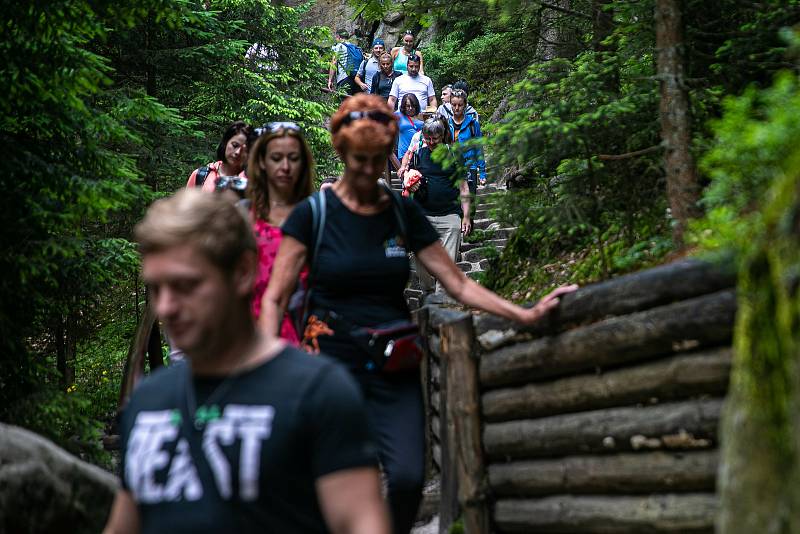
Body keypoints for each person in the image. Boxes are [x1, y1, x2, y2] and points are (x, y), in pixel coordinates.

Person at [259, 94, 577, 533]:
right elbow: (276, 296)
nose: (370, 170)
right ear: (342, 153)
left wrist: (523, 314)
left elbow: (458, 282)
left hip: (393, 361)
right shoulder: (313, 215)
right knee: (341, 479)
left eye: (377, 159)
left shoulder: (402, 211)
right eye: (359, 160)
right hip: (330, 364)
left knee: (407, 476)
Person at [103, 190, 389, 534]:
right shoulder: (148, 401)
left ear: (242, 272)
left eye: (185, 285)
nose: (165, 307)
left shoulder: (319, 392)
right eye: (156, 288)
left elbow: (361, 522)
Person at [247, 122, 315, 344]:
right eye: (276, 158)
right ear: (262, 162)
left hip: (305, 330)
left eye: (293, 158)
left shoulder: (317, 215)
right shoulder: (245, 215)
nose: (285, 167)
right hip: (249, 330)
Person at [404, 117, 469, 294]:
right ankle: (428, 290)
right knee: (419, 257)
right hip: (422, 214)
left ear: (443, 136)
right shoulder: (418, 155)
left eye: (435, 138)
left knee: (447, 262)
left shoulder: (454, 154)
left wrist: (466, 216)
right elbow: (408, 182)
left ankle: (441, 298)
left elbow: (463, 186)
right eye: (428, 138)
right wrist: (411, 184)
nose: (431, 142)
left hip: (450, 215)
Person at [186, 121, 252, 192]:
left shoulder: (251, 181)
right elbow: (187, 202)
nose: (237, 152)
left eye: (244, 150)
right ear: (226, 142)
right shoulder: (201, 175)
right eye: (235, 145)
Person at [447, 89, 486, 189]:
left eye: (460, 105)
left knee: (470, 201)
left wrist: (482, 172)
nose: (456, 108)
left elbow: (479, 148)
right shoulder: (446, 124)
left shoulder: (473, 124)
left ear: (465, 105)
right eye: (454, 105)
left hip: (470, 166)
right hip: (452, 167)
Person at [328, 28, 361, 97]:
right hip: (356, 79)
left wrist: (330, 80)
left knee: (344, 104)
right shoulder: (354, 47)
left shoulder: (338, 46)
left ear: (338, 37)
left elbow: (334, 63)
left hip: (344, 79)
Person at [395, 94, 423, 164]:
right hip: (404, 153)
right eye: (408, 106)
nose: (410, 108)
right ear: (404, 107)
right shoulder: (398, 115)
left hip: (420, 153)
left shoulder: (422, 115)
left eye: (413, 106)